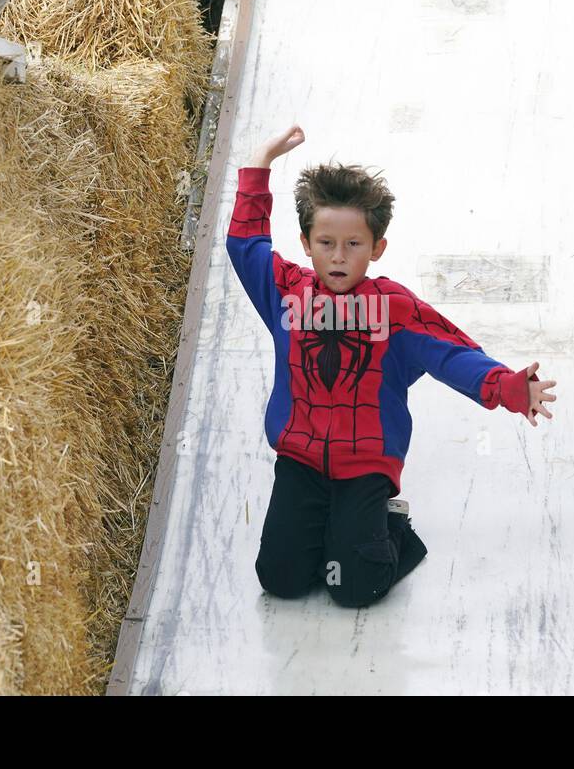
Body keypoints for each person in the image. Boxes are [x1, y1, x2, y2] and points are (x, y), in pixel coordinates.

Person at [228, 124, 557, 608]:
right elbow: (245, 246)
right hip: (300, 460)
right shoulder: (285, 292)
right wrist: (259, 165)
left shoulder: (393, 308)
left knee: (353, 589)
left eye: (354, 244)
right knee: (281, 579)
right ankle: (331, 529)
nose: (338, 257)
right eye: (326, 243)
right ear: (305, 242)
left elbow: (450, 352)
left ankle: (393, 526)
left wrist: (505, 387)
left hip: (365, 465)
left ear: (377, 247)